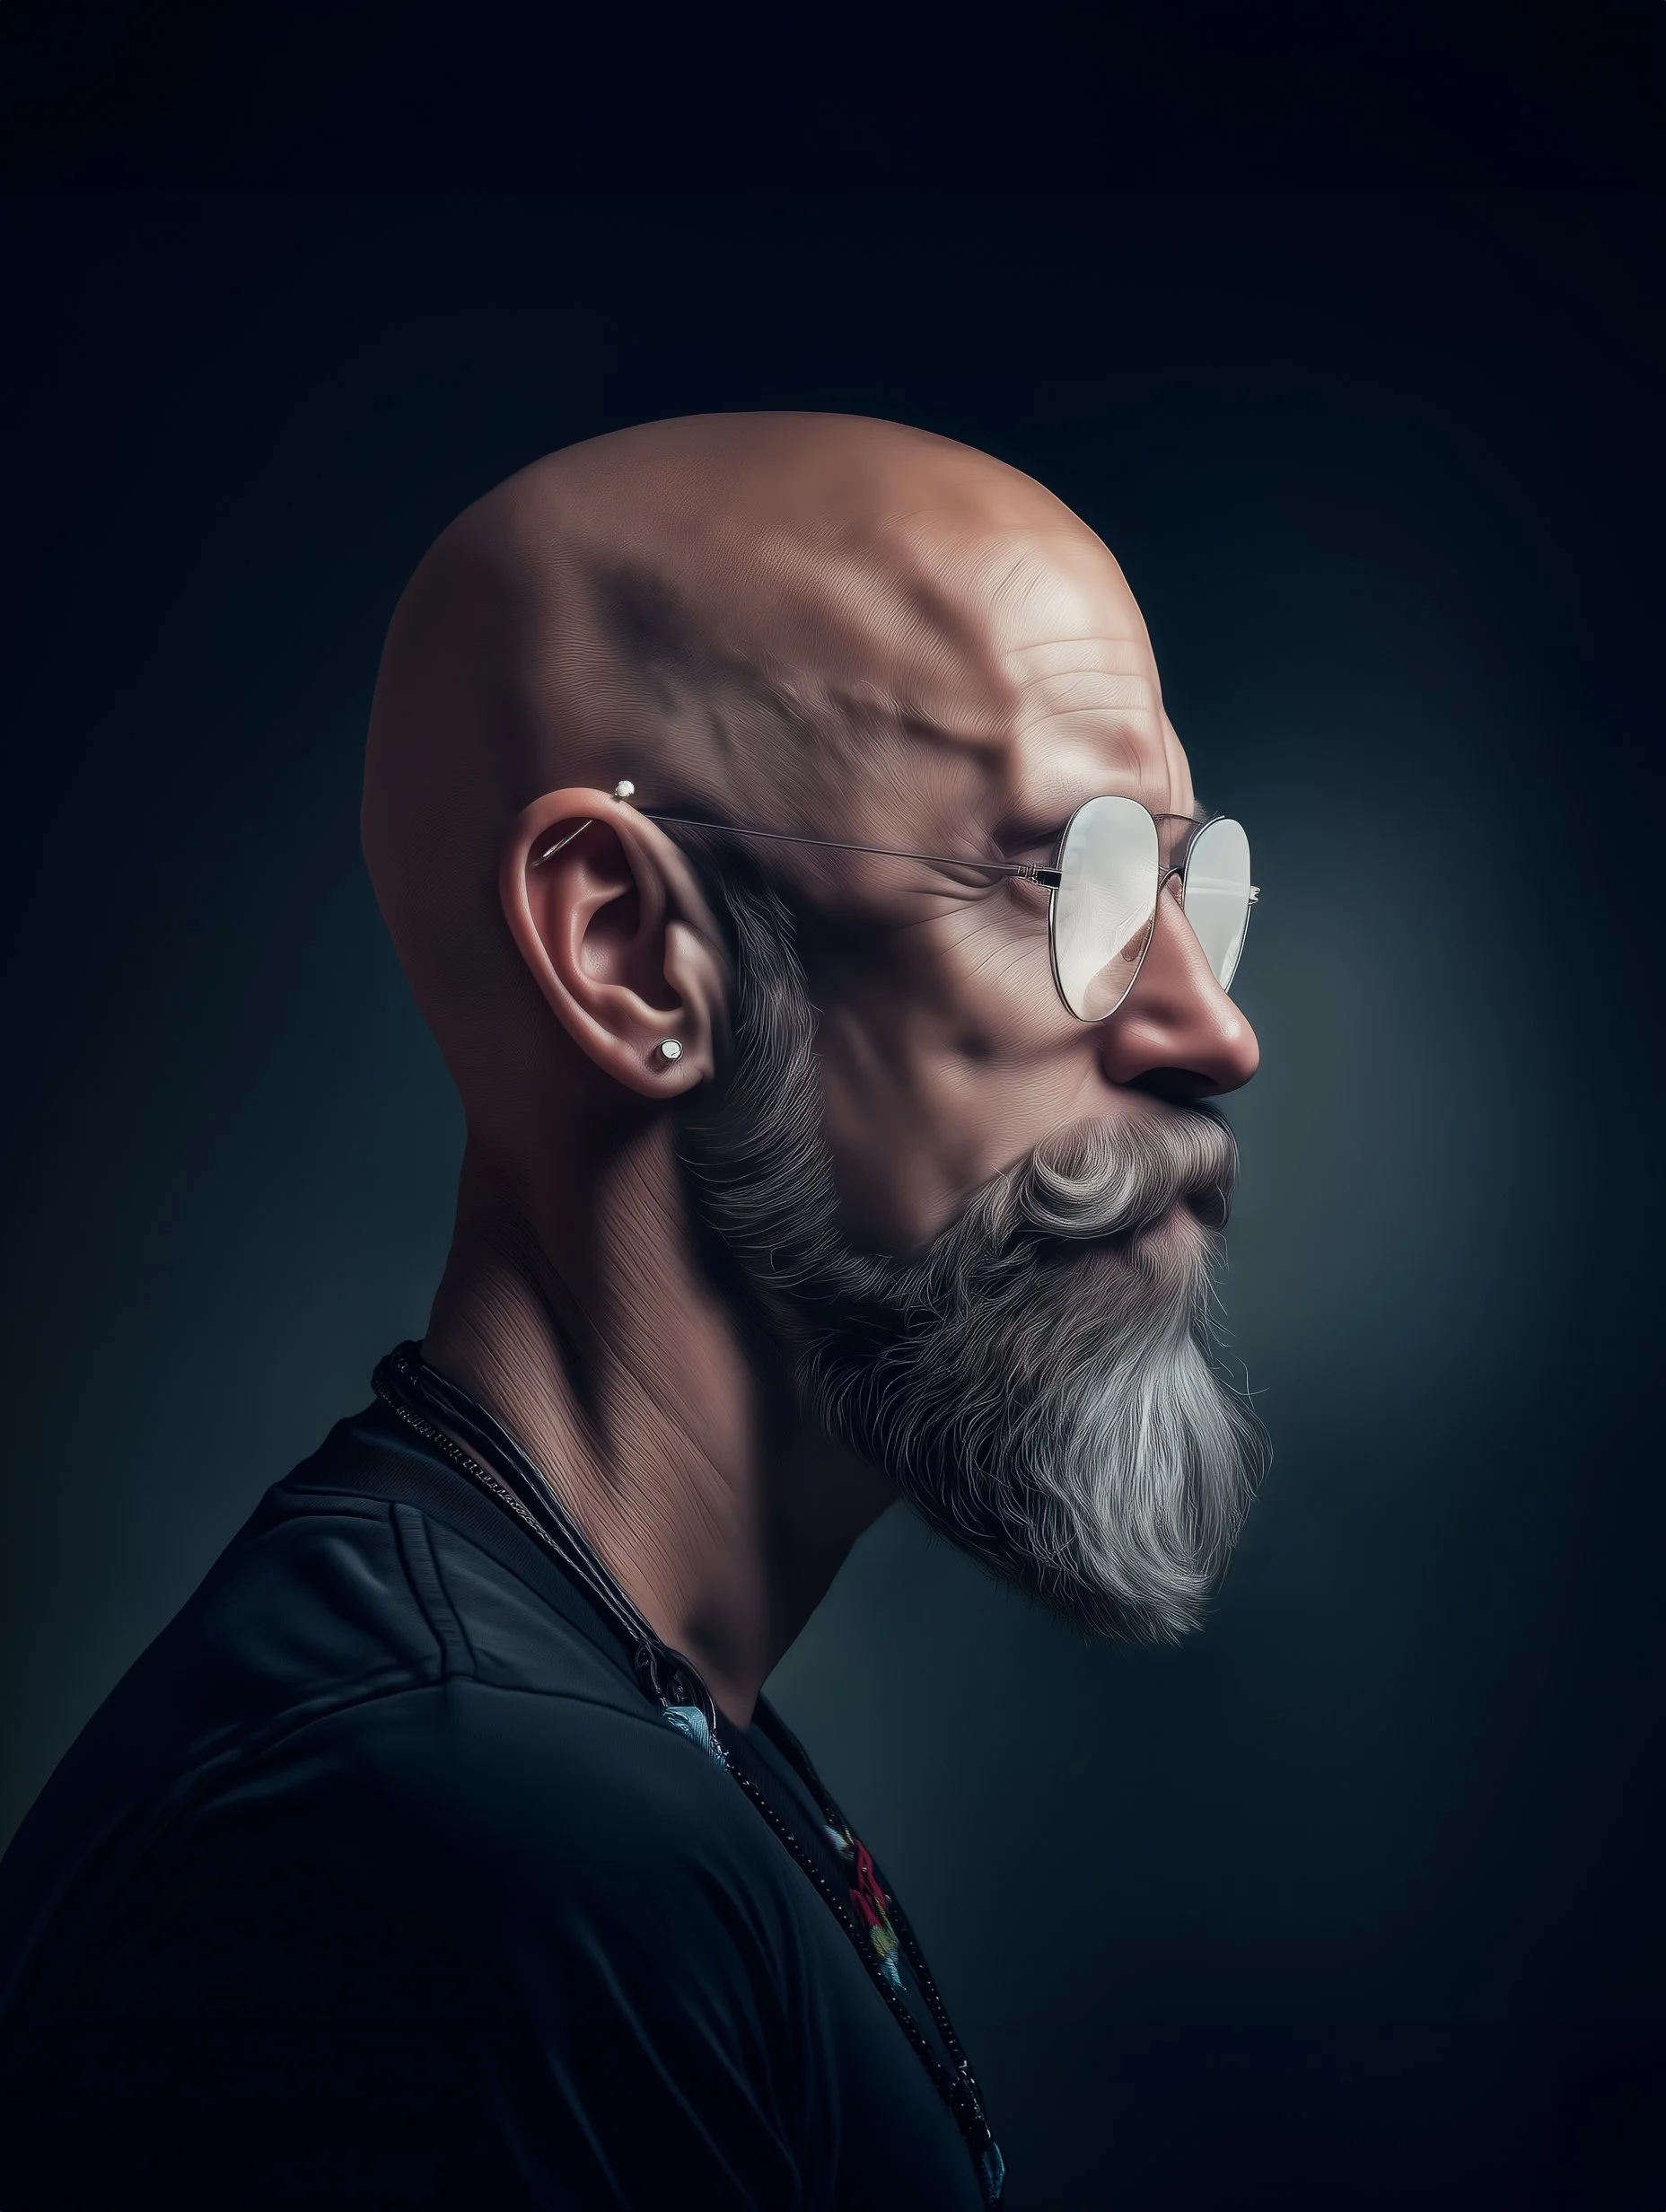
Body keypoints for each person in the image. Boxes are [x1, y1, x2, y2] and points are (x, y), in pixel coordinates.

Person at [0, 412, 1269, 2208]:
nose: (1209, 1029)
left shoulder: (618, 1730)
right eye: (1069, 880)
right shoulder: (461, 1865)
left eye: (1190, 883)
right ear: (621, 949)